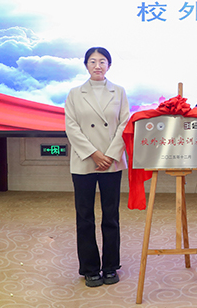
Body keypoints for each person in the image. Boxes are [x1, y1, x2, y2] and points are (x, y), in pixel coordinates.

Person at [65, 47, 130, 287]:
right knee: (84, 216)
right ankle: (90, 268)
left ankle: (111, 266)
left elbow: (125, 124)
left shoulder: (119, 91)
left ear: (109, 65)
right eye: (92, 61)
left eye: (102, 61)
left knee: (110, 215)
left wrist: (110, 155)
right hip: (84, 160)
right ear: (86, 65)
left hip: (111, 161)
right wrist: (94, 154)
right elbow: (71, 127)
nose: (97, 66)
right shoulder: (75, 93)